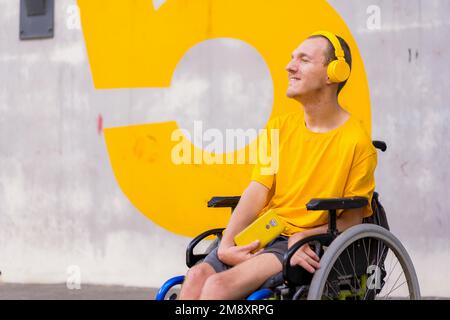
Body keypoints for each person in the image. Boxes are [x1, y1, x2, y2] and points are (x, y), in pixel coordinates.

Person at [179, 31, 377, 300]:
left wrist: (304, 235)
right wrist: (226, 242)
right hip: (267, 230)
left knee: (217, 287)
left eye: (303, 60)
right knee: (196, 277)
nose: (289, 66)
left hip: (297, 244)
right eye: (291, 58)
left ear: (334, 72)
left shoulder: (356, 142)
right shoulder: (280, 127)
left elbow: (352, 220)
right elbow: (257, 191)